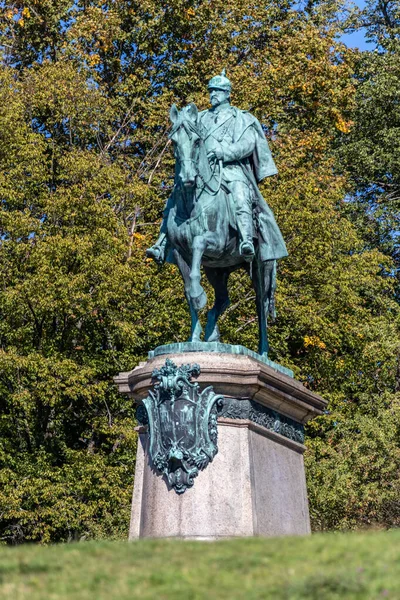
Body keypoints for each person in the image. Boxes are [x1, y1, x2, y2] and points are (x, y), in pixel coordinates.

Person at [147, 70, 287, 265]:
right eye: (211, 91)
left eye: (218, 91)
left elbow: (248, 143)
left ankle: (246, 239)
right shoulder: (200, 117)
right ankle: (162, 242)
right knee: (175, 193)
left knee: (239, 193)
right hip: (205, 171)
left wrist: (225, 152)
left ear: (228, 93)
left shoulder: (242, 118)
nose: (213, 94)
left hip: (231, 169)